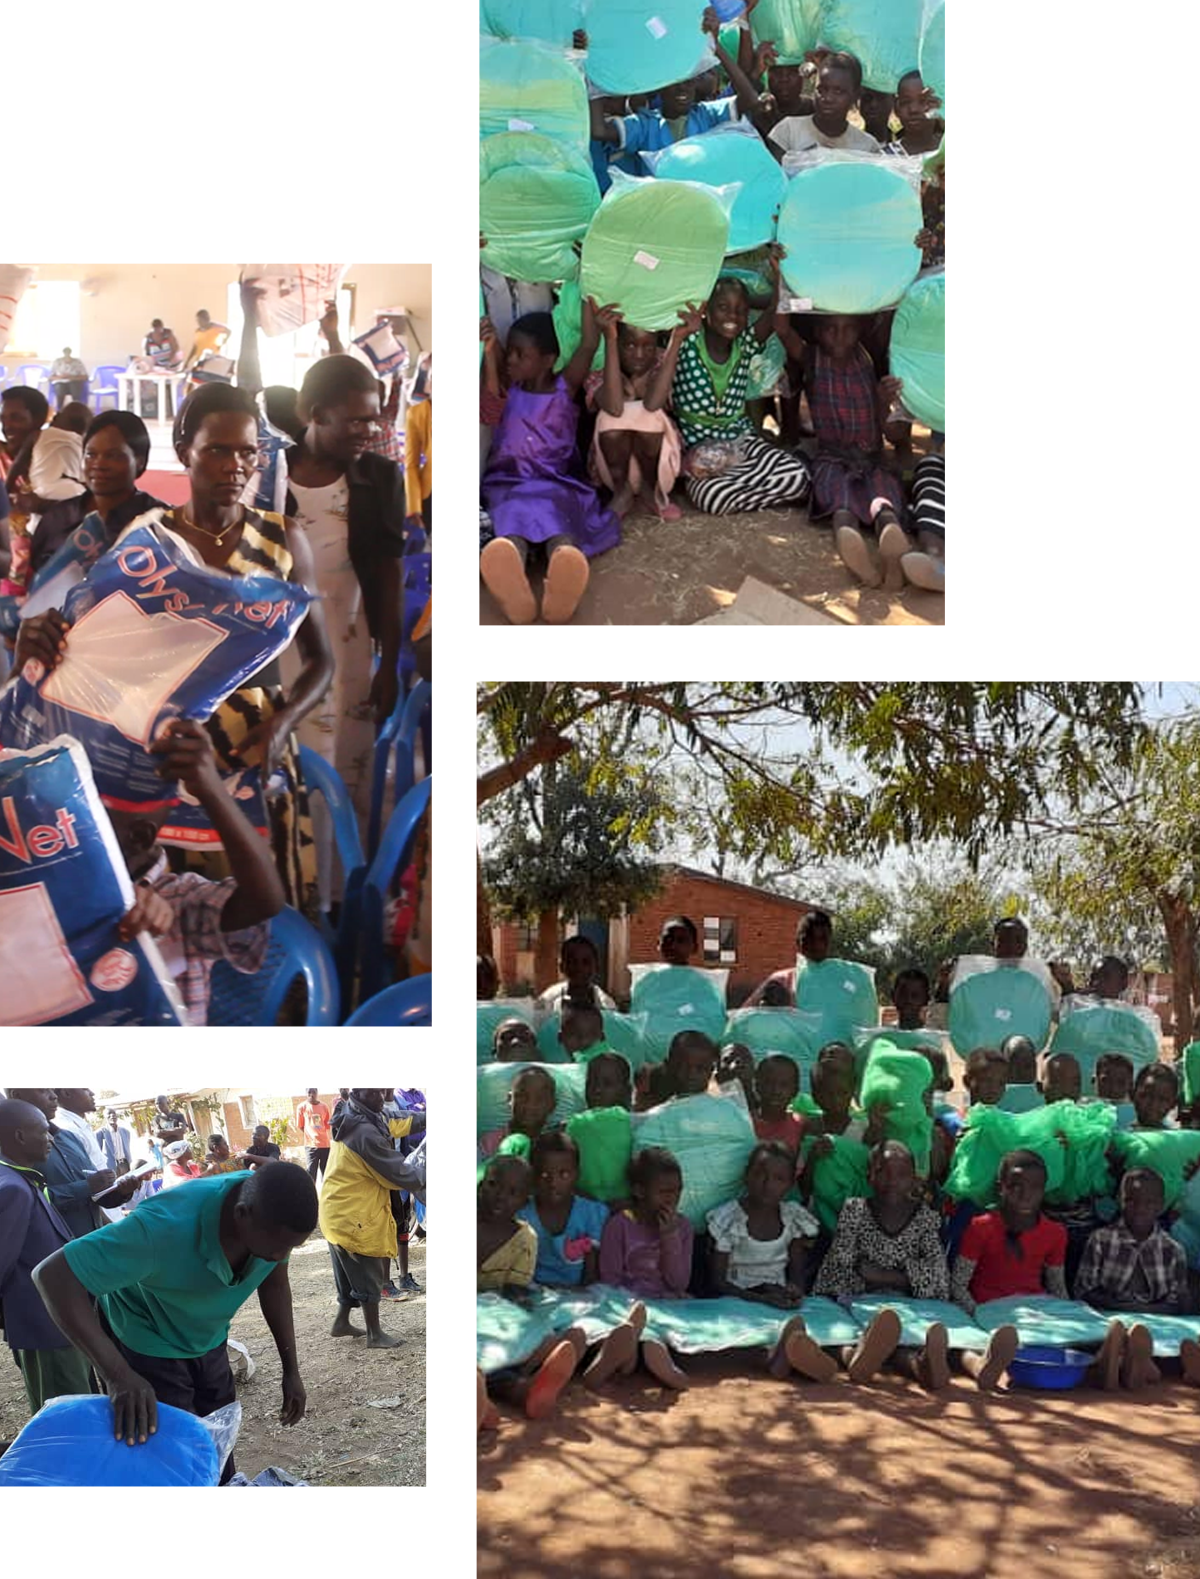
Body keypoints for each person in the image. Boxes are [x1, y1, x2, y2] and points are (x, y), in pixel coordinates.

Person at [32, 1160, 317, 1480]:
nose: (281, 1256)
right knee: (169, 1453)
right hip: (148, 1336)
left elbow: (275, 1284)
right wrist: (117, 1374)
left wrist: (291, 1370)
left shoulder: (275, 1214)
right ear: (241, 1215)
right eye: (278, 1247)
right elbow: (52, 1277)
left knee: (216, 1441)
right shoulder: (162, 1227)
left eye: (291, 1247)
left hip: (206, 1336)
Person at [283, 355, 407, 878]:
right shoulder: (270, 474)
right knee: (292, 765)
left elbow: (385, 573)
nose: (368, 430)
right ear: (316, 414)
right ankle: (297, 882)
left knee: (345, 771)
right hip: (282, 651)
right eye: (356, 419)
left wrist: (390, 662)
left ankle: (337, 891)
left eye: (374, 417)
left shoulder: (378, 478)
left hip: (349, 641)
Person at [815, 1140, 1019, 1390]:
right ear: (868, 1176)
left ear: (914, 1179)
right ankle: (882, 1362)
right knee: (862, 1336)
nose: (892, 1180)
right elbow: (837, 1269)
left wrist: (884, 1276)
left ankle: (978, 1365)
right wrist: (906, 1276)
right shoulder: (854, 1210)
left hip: (911, 1305)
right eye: (882, 1172)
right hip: (861, 1300)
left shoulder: (925, 1218)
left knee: (942, 1335)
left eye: (901, 1174)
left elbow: (939, 1279)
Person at [479, 304, 619, 625]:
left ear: (548, 360)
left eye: (520, 354)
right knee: (510, 515)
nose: (511, 359)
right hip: (508, 483)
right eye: (509, 352)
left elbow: (586, 345)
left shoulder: (564, 386)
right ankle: (512, 572)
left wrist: (591, 307)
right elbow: (489, 406)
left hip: (556, 483)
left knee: (557, 515)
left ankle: (562, 567)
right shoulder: (505, 388)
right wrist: (490, 352)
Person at [647, 273, 812, 516]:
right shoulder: (689, 342)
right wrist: (677, 339)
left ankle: (744, 489)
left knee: (797, 476)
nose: (733, 316)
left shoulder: (745, 345)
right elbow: (656, 401)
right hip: (698, 450)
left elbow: (772, 313)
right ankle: (757, 488)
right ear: (707, 311)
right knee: (713, 499)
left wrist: (778, 275)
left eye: (741, 310)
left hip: (741, 442)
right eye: (723, 308)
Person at [773, 311, 910, 587]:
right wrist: (780, 277)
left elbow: (894, 434)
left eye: (848, 328)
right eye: (830, 328)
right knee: (840, 503)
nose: (839, 335)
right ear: (817, 332)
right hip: (832, 458)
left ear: (861, 330)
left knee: (883, 500)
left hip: (873, 458)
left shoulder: (873, 361)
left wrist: (884, 402)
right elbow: (783, 329)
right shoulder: (812, 359)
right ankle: (853, 546)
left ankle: (892, 543)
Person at [0, 1098, 97, 1415]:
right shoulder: (11, 1188)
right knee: (65, 1416)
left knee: (77, 1405)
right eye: (43, 1131)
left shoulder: (21, 1178)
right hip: (46, 1327)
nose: (52, 1138)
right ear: (19, 1136)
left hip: (56, 1322)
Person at [319, 1088, 427, 1349]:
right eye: (373, 1092)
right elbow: (401, 1174)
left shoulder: (356, 1113)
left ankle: (341, 1323)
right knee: (368, 1273)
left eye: (383, 1091)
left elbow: (400, 1120)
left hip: (336, 1210)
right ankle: (374, 1334)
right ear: (356, 1092)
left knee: (346, 1274)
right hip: (351, 1214)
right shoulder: (364, 1132)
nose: (381, 1097)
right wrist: (427, 1164)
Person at [476, 1153, 580, 1420]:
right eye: (493, 1185)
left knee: (515, 1337)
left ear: (524, 1201)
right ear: (480, 1185)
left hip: (492, 1314)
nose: (500, 1196)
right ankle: (484, 1402)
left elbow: (514, 1292)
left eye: (512, 1192)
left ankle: (519, 1391)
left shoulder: (524, 1238)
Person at [1075, 1168, 1196, 1390]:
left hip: (1157, 1322)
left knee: (1183, 1333)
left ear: (1160, 1205)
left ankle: (1138, 1362)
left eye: (1149, 1203)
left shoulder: (1172, 1249)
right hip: (1110, 1319)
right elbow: (1084, 1291)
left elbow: (1177, 1302)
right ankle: (1132, 1362)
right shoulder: (1101, 1240)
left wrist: (1143, 1312)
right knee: (1098, 1331)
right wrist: (1124, 1308)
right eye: (1131, 1201)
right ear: (1120, 1201)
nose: (1140, 1209)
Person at [20, 409, 164, 585]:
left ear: (139, 461)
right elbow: (35, 581)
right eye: (91, 455)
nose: (99, 464)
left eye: (112, 456)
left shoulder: (159, 522)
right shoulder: (58, 518)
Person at [598, 1147, 693, 1386]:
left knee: (659, 1334)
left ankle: (654, 1363)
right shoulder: (619, 1225)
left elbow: (679, 1282)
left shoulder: (683, 1227)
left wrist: (669, 1236)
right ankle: (626, 1355)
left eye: (677, 1191)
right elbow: (609, 1280)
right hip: (626, 1303)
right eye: (664, 1192)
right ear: (639, 1191)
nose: (672, 1198)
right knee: (631, 1321)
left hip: (666, 1302)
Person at [585, 308, 682, 522]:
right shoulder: (599, 372)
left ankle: (651, 492)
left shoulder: (660, 365)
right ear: (617, 345)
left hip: (659, 470)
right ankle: (622, 494)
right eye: (629, 345)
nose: (639, 355)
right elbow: (614, 407)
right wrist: (609, 338)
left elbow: (654, 403)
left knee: (649, 415)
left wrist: (676, 341)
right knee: (611, 416)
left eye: (647, 347)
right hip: (615, 473)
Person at [5, 1088, 126, 1237]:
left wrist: (122, 1191)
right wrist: (86, 1186)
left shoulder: (69, 1137)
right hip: (61, 1254)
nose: (54, 1096)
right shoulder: (13, 1149)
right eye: (43, 1090)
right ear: (16, 1095)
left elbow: (96, 1197)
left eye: (52, 1089)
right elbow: (31, 1201)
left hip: (95, 1244)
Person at [768, 51, 881, 157]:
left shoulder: (867, 148)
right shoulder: (787, 132)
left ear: (855, 95)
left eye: (838, 91)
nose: (827, 98)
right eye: (821, 89)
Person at [478, 1067, 558, 1159]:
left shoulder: (556, 1145)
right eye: (522, 1096)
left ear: (552, 1106)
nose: (530, 1105)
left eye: (540, 1099)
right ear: (510, 1099)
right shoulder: (490, 1142)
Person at [536, 934, 616, 1014]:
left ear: (596, 967)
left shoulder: (606, 1006)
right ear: (562, 967)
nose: (579, 968)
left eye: (586, 962)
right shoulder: (547, 1000)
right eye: (572, 961)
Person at [753, 1055, 804, 1152]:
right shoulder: (744, 1123)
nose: (776, 1091)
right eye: (769, 1083)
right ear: (757, 1086)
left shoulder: (800, 1126)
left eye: (784, 1085)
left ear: (795, 1091)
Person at [298, 1087, 334, 1181]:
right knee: (311, 1173)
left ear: (317, 1093)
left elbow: (327, 1125)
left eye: (314, 1092)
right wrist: (311, 1135)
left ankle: (326, 1194)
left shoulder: (324, 1107)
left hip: (325, 1145)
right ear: (306, 1094)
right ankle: (311, 1194)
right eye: (309, 1092)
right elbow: (301, 1126)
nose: (312, 1095)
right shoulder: (302, 1107)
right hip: (310, 1146)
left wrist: (319, 1134)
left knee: (326, 1172)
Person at [98, 1109, 134, 1175]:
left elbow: (127, 1149)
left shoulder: (125, 1132)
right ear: (105, 1117)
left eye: (113, 1113)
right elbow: (98, 1152)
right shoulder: (101, 1133)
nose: (112, 1115)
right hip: (111, 1167)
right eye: (109, 1114)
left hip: (125, 1164)